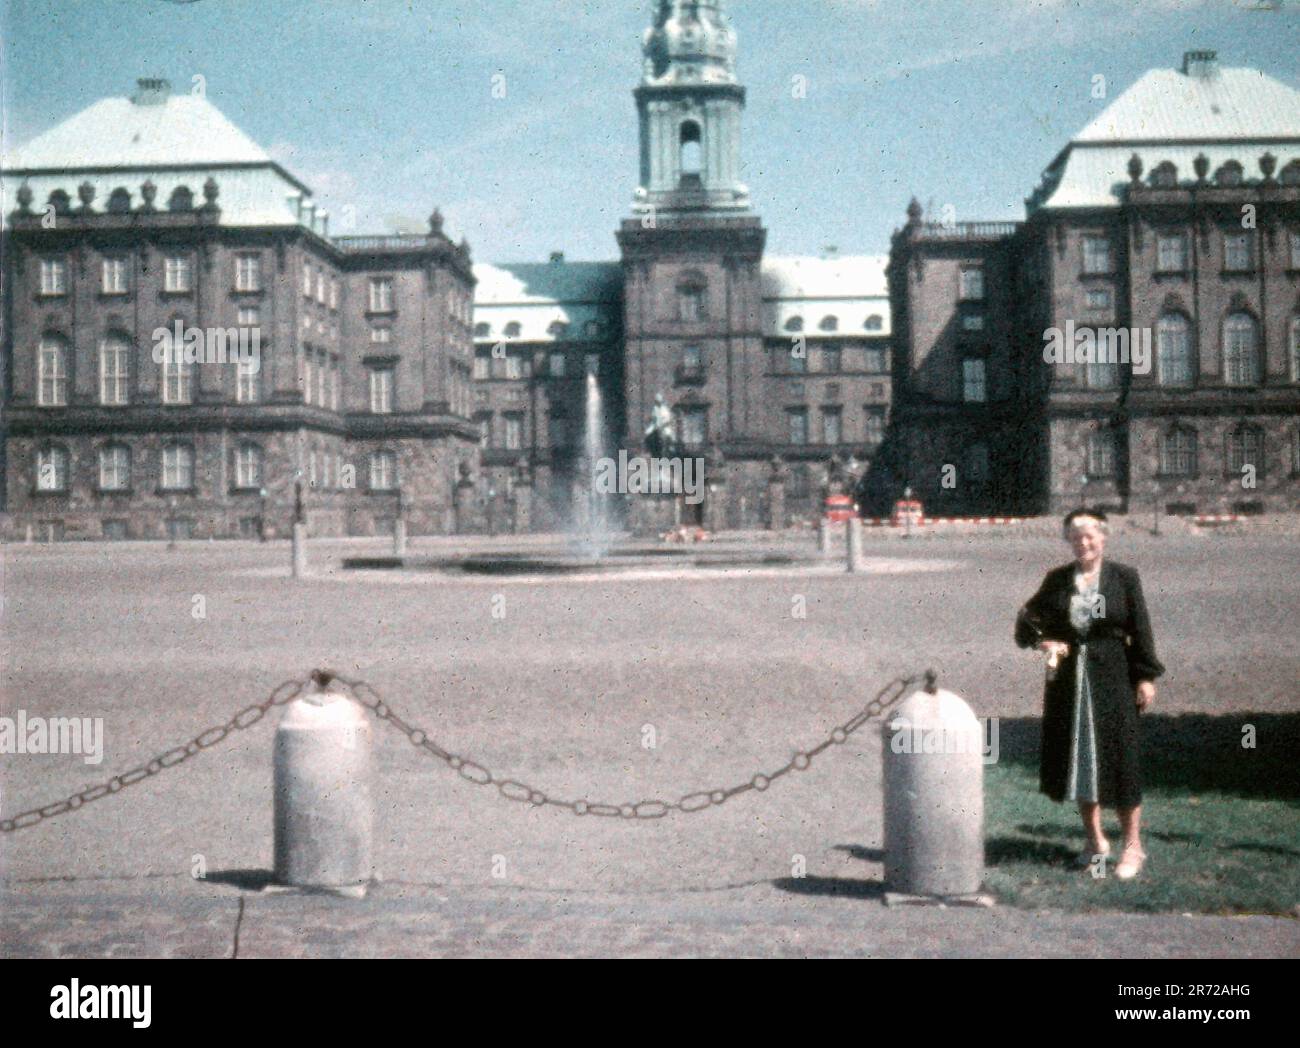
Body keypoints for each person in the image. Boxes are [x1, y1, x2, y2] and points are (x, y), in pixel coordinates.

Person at [1015, 509, 1164, 880]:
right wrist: (1042, 641)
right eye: (1076, 537)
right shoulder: (1058, 580)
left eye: (1090, 536)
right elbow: (1026, 621)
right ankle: (1095, 841)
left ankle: (1132, 846)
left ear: (1104, 538)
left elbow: (1140, 627)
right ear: (1068, 541)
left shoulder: (1124, 578)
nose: (1083, 543)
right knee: (1080, 758)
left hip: (1113, 676)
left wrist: (1145, 677)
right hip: (1069, 681)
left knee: (1121, 758)